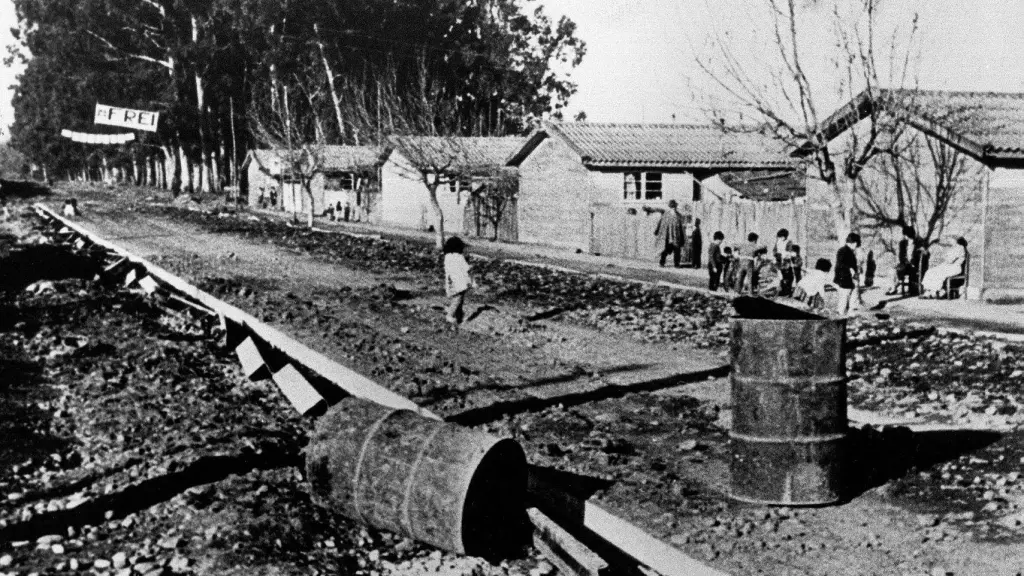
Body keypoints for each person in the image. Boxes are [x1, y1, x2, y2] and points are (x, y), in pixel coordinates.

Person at [443, 236, 475, 326]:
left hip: (451, 281)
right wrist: (471, 267)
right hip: (459, 282)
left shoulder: (447, 257)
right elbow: (466, 268)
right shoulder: (460, 257)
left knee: (457, 299)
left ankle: (459, 316)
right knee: (458, 299)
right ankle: (450, 315)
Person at [834, 233, 861, 315]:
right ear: (855, 243)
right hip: (844, 278)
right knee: (844, 298)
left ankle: (850, 311)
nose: (856, 246)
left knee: (852, 295)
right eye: (857, 244)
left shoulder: (847, 251)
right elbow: (840, 264)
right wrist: (850, 269)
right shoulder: (844, 251)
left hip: (849, 278)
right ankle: (840, 314)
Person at [886, 225, 917, 295]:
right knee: (892, 270)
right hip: (904, 265)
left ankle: (911, 288)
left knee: (901, 270)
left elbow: (921, 254)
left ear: (907, 235)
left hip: (913, 266)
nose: (904, 236)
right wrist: (902, 262)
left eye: (905, 235)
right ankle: (893, 287)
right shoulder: (902, 243)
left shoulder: (917, 243)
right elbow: (901, 256)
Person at [654, 200, 685, 267]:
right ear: (670, 206)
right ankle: (662, 263)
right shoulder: (666, 215)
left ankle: (676, 264)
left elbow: (681, 227)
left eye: (674, 206)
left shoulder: (678, 215)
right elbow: (660, 223)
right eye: (672, 206)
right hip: (667, 236)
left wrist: (682, 236)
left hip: (676, 236)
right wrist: (657, 231)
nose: (673, 207)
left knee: (677, 250)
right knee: (665, 250)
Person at [773, 228, 795, 296]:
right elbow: (774, 250)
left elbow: (789, 251)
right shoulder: (778, 242)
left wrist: (784, 254)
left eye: (782, 237)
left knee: (789, 276)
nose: (781, 238)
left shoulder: (789, 242)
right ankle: (783, 290)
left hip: (786, 261)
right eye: (780, 237)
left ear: (785, 236)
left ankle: (788, 290)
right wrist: (776, 254)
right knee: (781, 276)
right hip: (779, 261)